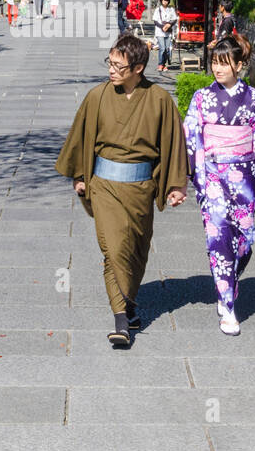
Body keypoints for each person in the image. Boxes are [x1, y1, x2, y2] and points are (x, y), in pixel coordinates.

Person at [55, 34, 188, 348]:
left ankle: (129, 305)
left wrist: (176, 184)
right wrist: (79, 175)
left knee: (137, 250)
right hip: (104, 185)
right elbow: (80, 137)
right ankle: (120, 322)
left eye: (119, 66)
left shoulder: (159, 99)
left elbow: (173, 143)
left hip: (140, 187)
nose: (111, 70)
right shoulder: (97, 96)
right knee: (113, 250)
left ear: (138, 68)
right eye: (110, 63)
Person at [183, 34, 255, 336]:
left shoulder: (254, 99)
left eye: (224, 63)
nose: (217, 69)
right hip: (213, 179)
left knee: (244, 242)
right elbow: (191, 136)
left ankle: (229, 279)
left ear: (239, 65)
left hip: (244, 179)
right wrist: (196, 176)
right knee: (218, 241)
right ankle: (227, 305)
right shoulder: (201, 98)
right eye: (215, 62)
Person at [152, 0, 178, 73]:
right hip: (160, 32)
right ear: (161, 1)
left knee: (167, 49)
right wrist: (162, 27)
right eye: (164, 0)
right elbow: (155, 21)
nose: (165, 2)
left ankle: (164, 64)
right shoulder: (158, 10)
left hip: (168, 32)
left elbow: (174, 19)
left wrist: (169, 25)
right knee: (162, 48)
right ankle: (160, 64)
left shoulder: (171, 10)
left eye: (167, 0)